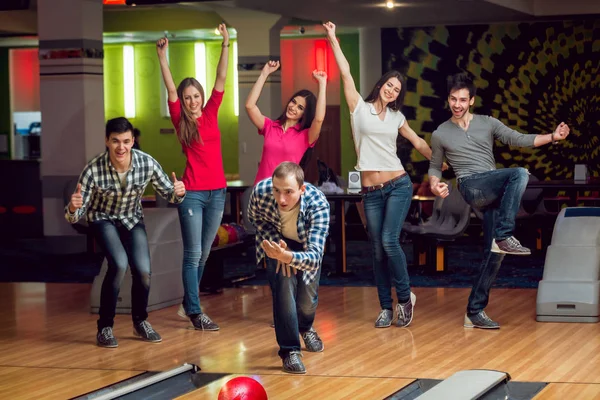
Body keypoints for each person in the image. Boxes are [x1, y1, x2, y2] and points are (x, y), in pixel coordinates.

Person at [324, 21, 444, 329]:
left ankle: (404, 299)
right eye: (389, 85)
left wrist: (438, 160)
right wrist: (333, 37)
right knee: (377, 249)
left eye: (397, 90)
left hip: (397, 185)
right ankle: (384, 308)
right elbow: (346, 73)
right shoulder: (358, 109)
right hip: (370, 192)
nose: (392, 91)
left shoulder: (396, 117)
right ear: (381, 85)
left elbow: (417, 142)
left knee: (390, 241)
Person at [428, 72, 570, 329]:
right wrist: (434, 183)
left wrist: (553, 137)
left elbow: (519, 139)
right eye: (452, 99)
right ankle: (505, 234)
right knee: (519, 173)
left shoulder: (488, 123)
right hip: (471, 186)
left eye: (462, 99)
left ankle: (474, 311)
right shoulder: (441, 133)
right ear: (448, 100)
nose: (457, 104)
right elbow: (435, 166)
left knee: (493, 254)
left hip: (492, 190)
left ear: (471, 100)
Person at [65, 117, 186, 348]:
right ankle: (105, 328)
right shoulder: (93, 170)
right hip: (103, 219)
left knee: (143, 271)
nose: (121, 147)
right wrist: (73, 207)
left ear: (133, 141)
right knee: (119, 264)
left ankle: (140, 321)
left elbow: (170, 194)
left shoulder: (146, 163)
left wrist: (179, 191)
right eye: (115, 141)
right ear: (107, 141)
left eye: (126, 141)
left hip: (131, 219)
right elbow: (76, 213)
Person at [156, 23, 230, 331]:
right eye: (187, 97)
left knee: (204, 253)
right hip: (193, 194)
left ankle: (190, 304)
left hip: (218, 192)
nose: (191, 101)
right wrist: (163, 57)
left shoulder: (212, 111)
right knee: (193, 253)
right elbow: (170, 89)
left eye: (195, 95)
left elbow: (222, 78)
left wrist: (225, 42)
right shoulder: (179, 119)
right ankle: (196, 312)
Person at [248, 162, 330, 374]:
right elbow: (255, 219)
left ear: (302, 190)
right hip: (277, 244)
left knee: (307, 302)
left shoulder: (318, 203)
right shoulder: (261, 191)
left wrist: (289, 256)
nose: (281, 199)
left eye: (288, 192)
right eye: (277, 191)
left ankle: (305, 326)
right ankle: (289, 351)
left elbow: (314, 258)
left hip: (305, 248)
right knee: (283, 290)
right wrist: (278, 249)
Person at [245, 60, 327, 184]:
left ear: (305, 114)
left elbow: (319, 119)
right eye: (293, 102)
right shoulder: (270, 126)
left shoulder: (306, 136)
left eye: (300, 108)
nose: (293, 107)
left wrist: (322, 84)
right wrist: (264, 74)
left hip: (287, 192)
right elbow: (249, 106)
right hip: (262, 190)